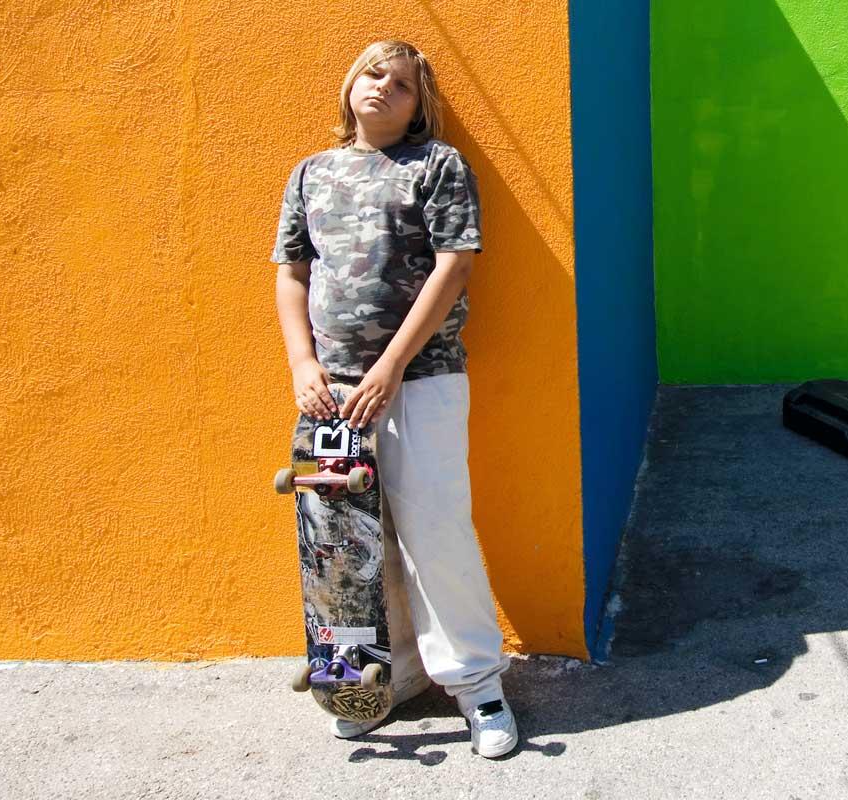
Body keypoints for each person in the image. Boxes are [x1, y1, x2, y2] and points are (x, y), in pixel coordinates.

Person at [270, 40, 517, 759]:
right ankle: (385, 679)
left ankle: (478, 686)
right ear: (350, 83)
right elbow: (290, 273)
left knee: (436, 534)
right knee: (346, 550)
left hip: (421, 379)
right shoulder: (310, 173)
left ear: (419, 107)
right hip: (329, 397)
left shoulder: (437, 166)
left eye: (402, 85)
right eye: (373, 74)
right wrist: (302, 365)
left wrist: (390, 366)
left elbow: (455, 266)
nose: (383, 88)